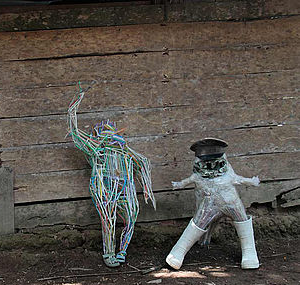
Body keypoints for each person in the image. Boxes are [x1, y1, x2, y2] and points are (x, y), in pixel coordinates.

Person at [67, 88, 156, 267]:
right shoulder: (97, 150)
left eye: (110, 130)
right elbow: (75, 133)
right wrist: (72, 110)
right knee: (108, 220)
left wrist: (146, 185)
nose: (107, 133)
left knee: (131, 217)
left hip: (126, 190)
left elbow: (143, 162)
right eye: (102, 131)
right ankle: (109, 253)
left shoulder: (126, 152)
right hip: (105, 189)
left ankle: (122, 250)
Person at [167, 138, 260, 270]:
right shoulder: (198, 176)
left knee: (241, 219)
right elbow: (187, 181)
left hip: (232, 202)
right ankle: (178, 252)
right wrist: (178, 184)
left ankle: (249, 252)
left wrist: (251, 181)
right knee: (198, 222)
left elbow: (239, 180)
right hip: (209, 205)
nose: (211, 165)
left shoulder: (228, 174)